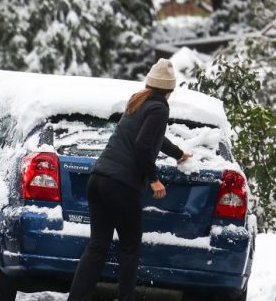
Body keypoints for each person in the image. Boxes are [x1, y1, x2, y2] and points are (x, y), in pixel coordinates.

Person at [67, 59, 192, 301]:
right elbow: (144, 145)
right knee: (129, 249)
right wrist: (154, 179)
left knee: (97, 247)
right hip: (122, 185)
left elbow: (155, 138)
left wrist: (178, 154)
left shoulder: (138, 101)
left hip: (99, 178)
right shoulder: (159, 108)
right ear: (170, 89)